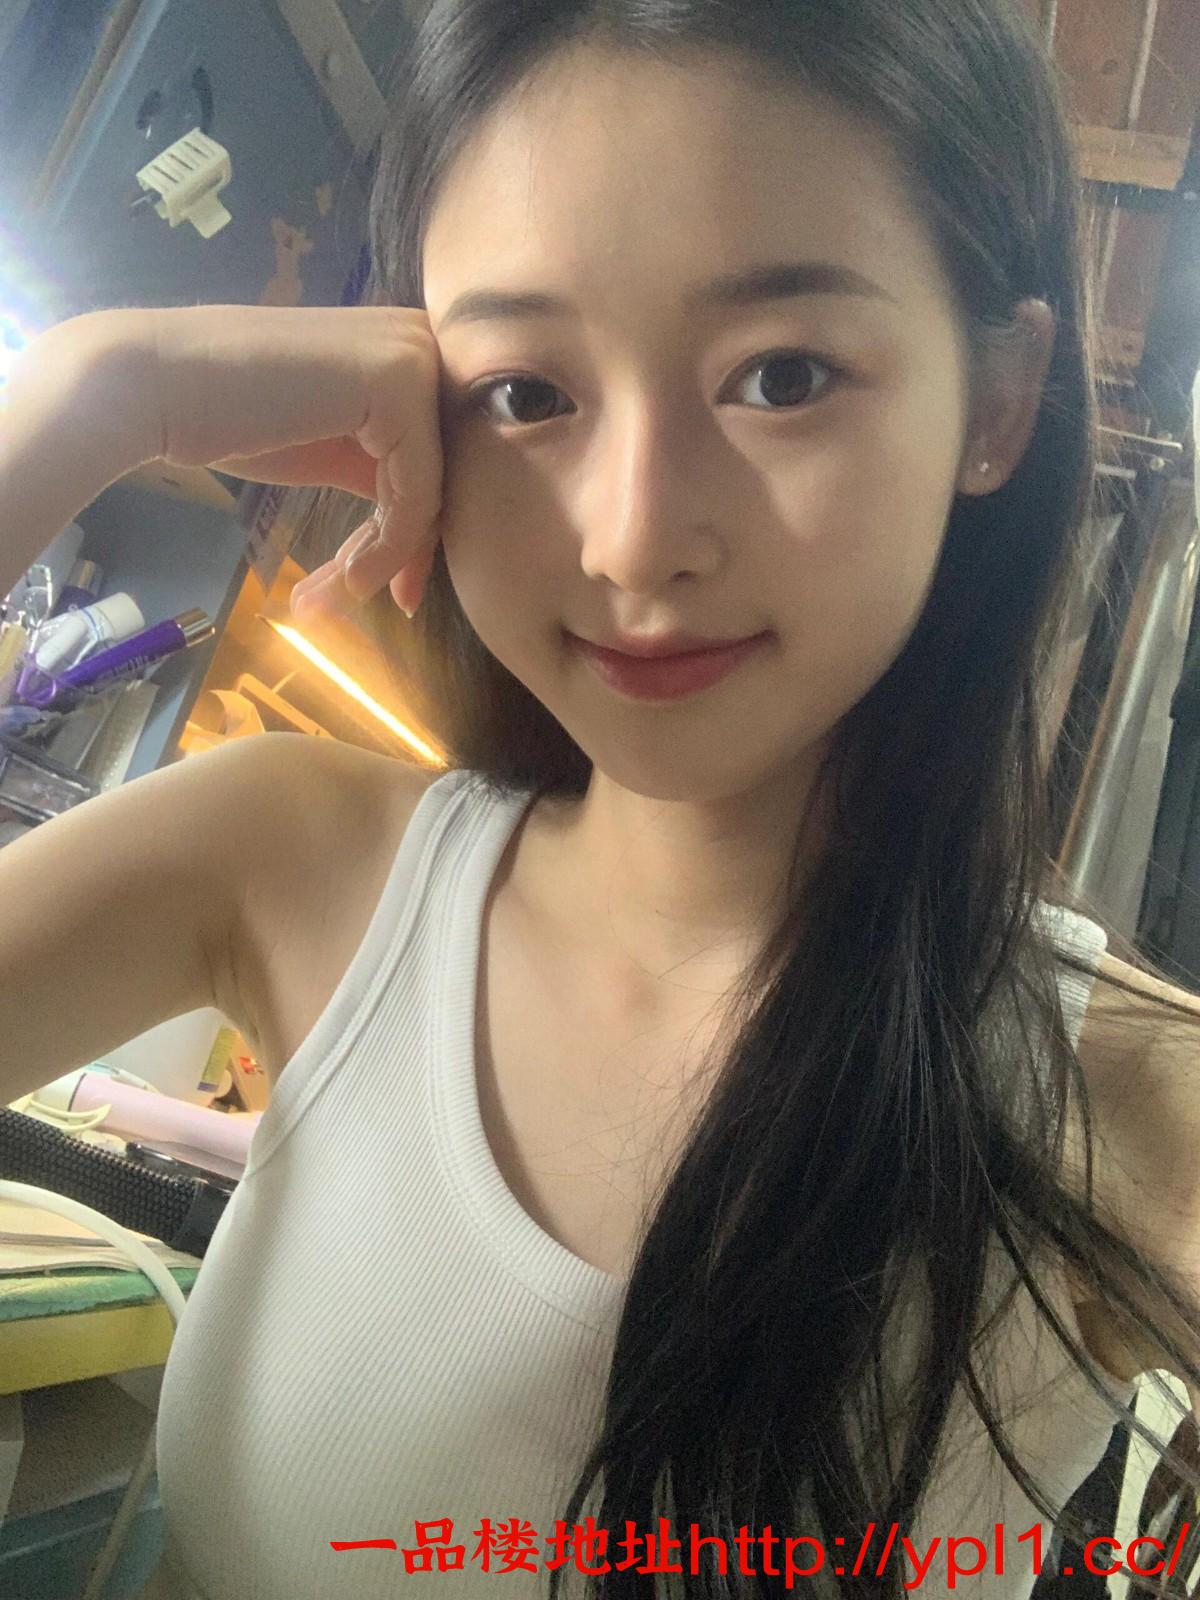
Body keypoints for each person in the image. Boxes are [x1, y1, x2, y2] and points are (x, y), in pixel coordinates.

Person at [3, 0, 1200, 1595]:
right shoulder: (285, 851)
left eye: (782, 375)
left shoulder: (1113, 1098)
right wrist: (93, 400)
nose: (632, 538)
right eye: (524, 394)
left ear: (997, 402)